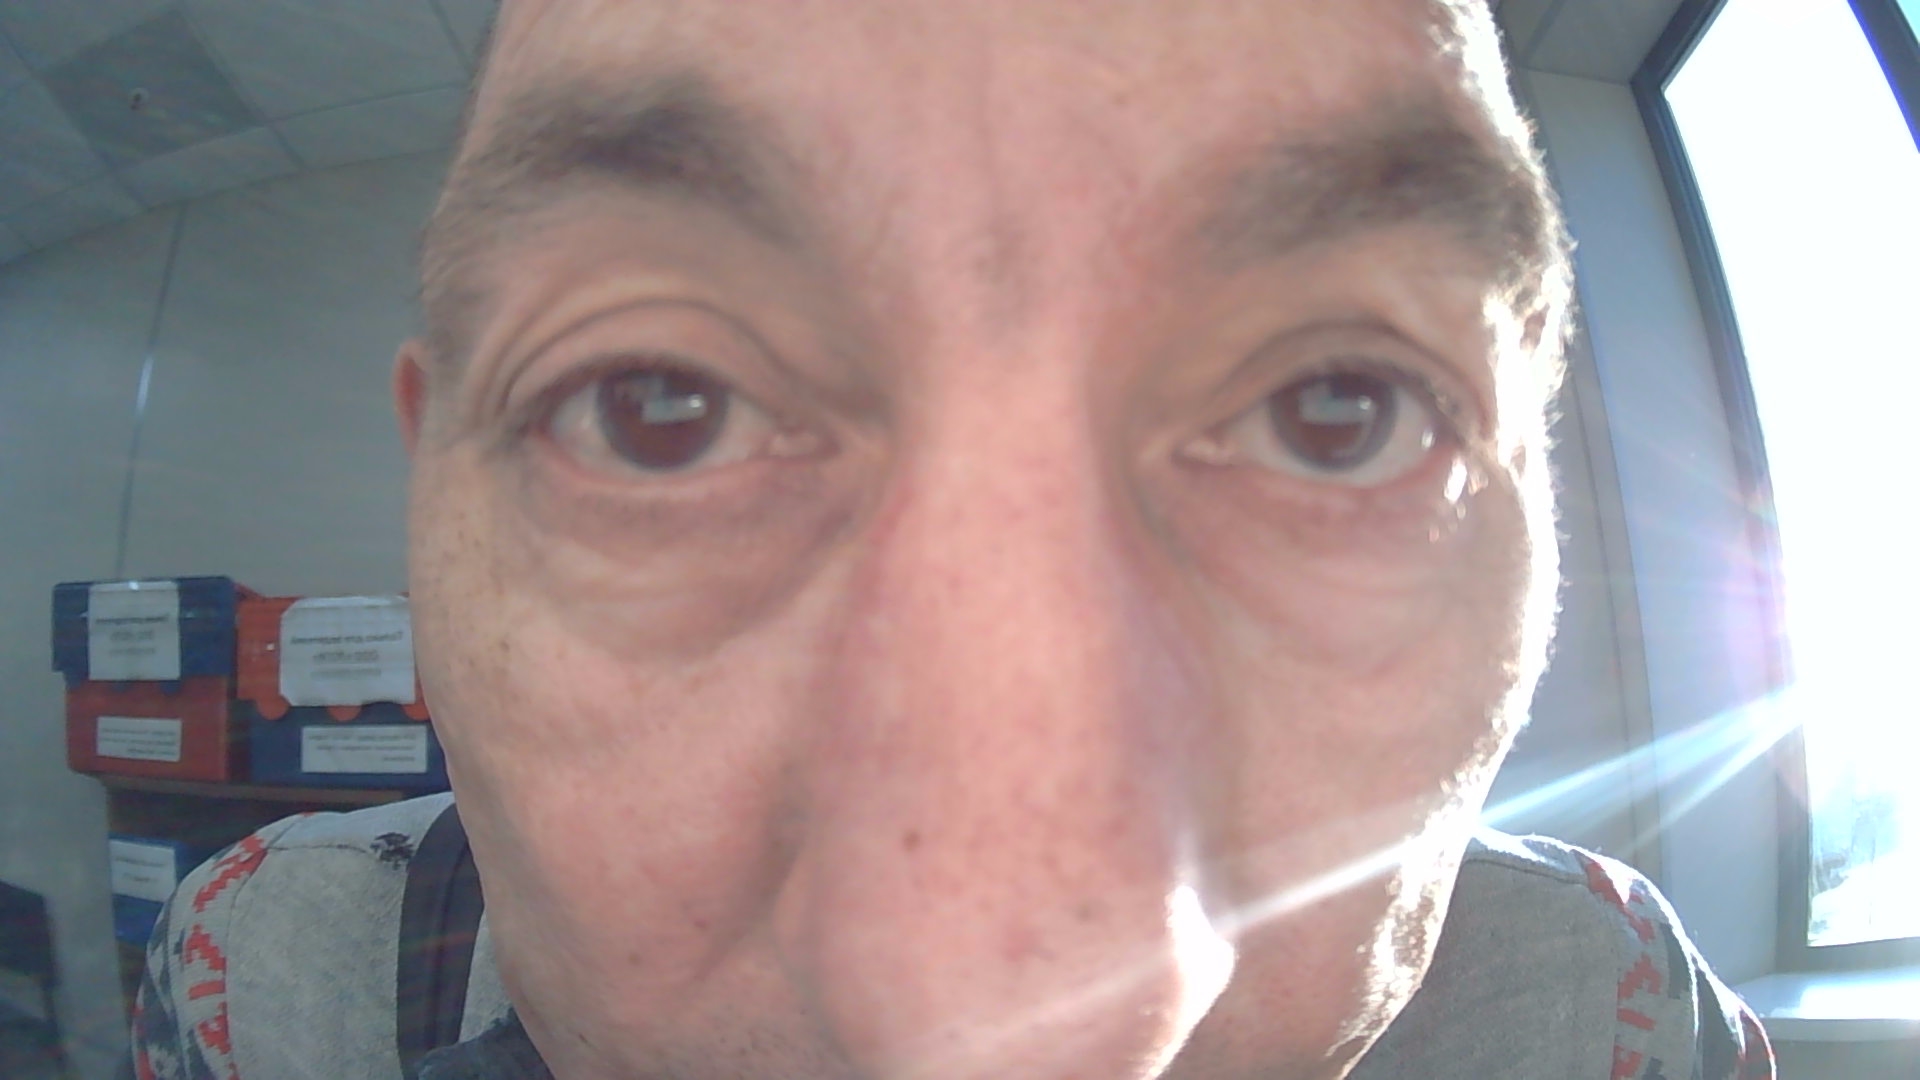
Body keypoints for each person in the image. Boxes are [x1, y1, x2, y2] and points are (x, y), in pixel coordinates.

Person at [131, 1, 1775, 1077]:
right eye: (657, 409)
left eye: (1337, 412)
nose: (997, 1027)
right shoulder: (272, 985)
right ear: (433, 508)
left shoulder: (1612, 1013)